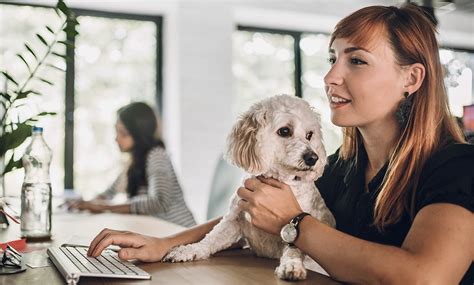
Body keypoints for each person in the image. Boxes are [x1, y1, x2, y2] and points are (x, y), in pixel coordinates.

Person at [86, 4, 473, 284]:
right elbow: (255, 215)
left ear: (412, 78)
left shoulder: (457, 166)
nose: (330, 77)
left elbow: (425, 277)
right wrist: (165, 244)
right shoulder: (343, 165)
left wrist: (295, 223)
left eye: (356, 61)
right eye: (332, 58)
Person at [68, 102, 196, 228]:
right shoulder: (134, 162)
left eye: (123, 133)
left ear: (139, 134)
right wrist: (85, 203)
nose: (116, 139)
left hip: (181, 232)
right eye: (116, 131)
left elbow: (159, 202)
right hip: (161, 231)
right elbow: (109, 193)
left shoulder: (156, 155)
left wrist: (105, 207)